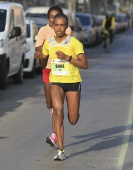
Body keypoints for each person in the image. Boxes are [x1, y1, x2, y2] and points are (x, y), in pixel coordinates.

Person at [37, 13, 88, 161]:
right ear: (52, 26)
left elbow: (84, 64)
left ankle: (73, 111)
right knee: (58, 111)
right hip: (56, 81)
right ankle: (61, 150)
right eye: (56, 25)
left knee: (72, 119)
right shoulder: (49, 42)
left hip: (73, 82)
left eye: (62, 25)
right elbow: (42, 64)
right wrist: (41, 57)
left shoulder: (74, 43)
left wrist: (68, 58)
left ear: (66, 27)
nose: (59, 28)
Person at [34, 5, 72, 147]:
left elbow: (71, 48)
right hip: (48, 69)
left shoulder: (67, 30)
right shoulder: (43, 30)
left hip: (61, 70)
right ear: (48, 18)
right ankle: (56, 124)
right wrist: (38, 54)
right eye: (51, 17)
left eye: (56, 16)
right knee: (50, 104)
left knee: (58, 106)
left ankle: (55, 135)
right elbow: (38, 47)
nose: (53, 19)